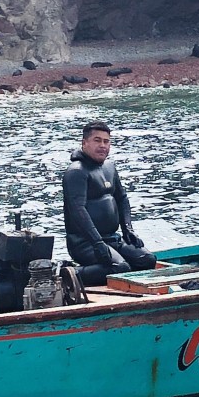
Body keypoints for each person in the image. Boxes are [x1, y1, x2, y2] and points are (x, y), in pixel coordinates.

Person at [62, 121, 156, 286]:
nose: (103, 145)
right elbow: (78, 211)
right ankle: (68, 275)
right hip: (84, 243)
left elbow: (122, 199)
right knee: (120, 268)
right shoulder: (76, 172)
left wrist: (128, 229)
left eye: (106, 141)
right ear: (84, 143)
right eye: (97, 140)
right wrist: (97, 242)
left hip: (112, 239)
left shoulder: (109, 167)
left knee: (147, 260)